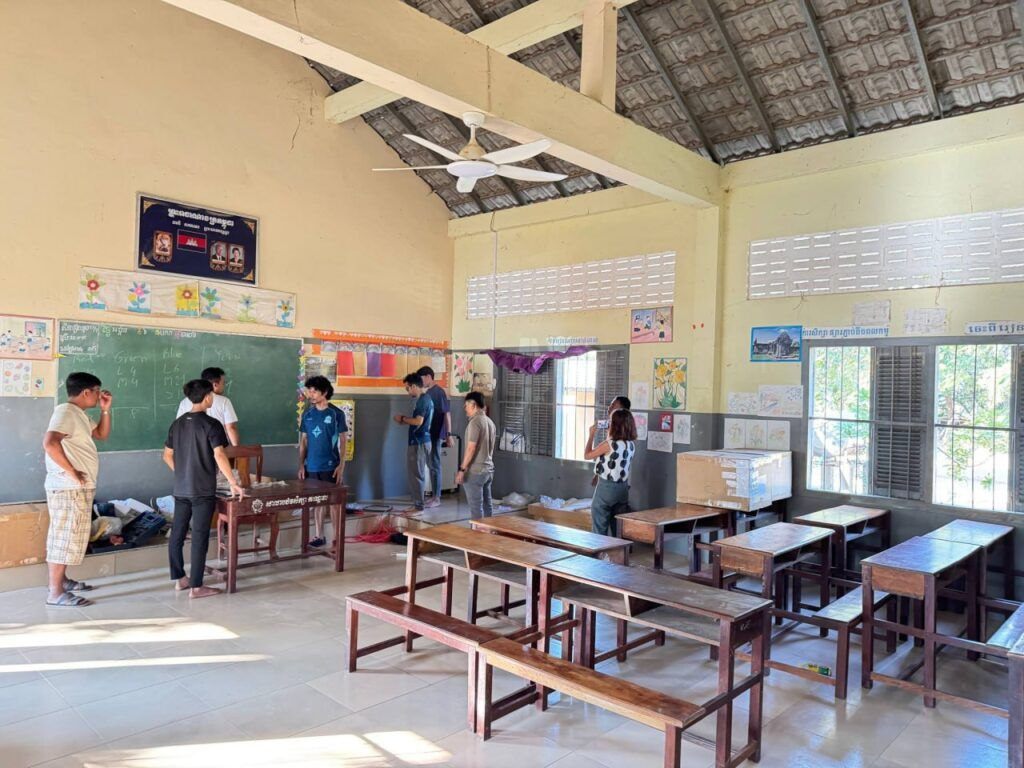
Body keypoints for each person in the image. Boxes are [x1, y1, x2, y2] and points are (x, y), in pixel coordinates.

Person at [163, 379, 243, 599]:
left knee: (177, 534)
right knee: (199, 536)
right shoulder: (211, 424)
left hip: (181, 488)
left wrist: (182, 473)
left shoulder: (177, 424)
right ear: (207, 397)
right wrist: (233, 482)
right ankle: (196, 587)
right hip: (203, 490)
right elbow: (219, 454)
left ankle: (180, 579)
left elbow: (167, 455)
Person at [41, 372, 113, 607]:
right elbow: (50, 443)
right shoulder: (65, 412)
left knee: (69, 537)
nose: (98, 395)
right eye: (97, 391)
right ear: (86, 392)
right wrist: (72, 472)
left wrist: (105, 410)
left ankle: (62, 582)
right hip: (68, 488)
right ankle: (55, 593)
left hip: (76, 488)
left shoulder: (78, 414)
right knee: (63, 537)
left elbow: (101, 434)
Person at [298, 375, 348, 548]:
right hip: (312, 466)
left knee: (334, 503)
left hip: (331, 466)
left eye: (314, 391)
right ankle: (319, 535)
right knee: (317, 502)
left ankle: (337, 537)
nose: (310, 395)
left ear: (324, 392)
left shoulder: (336, 414)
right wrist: (301, 464)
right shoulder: (307, 414)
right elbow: (304, 441)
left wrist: (341, 465)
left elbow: (343, 441)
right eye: (309, 391)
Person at [584, 408, 637, 537]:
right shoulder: (631, 445)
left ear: (614, 425)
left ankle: (599, 550)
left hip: (606, 488)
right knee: (617, 529)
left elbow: (587, 455)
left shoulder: (609, 444)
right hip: (623, 489)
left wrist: (591, 435)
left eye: (610, 421)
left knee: (599, 527)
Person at [392, 373, 433, 513]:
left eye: (407, 388)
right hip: (421, 441)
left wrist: (402, 418)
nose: (408, 392)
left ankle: (418, 506)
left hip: (419, 442)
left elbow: (418, 421)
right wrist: (404, 421)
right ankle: (417, 504)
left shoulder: (423, 400)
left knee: (416, 475)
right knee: (417, 474)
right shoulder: (425, 399)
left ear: (414, 386)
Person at [455, 392, 496, 519]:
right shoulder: (489, 421)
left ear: (473, 405)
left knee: (476, 508)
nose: (465, 408)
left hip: (476, 471)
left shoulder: (475, 422)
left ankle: (478, 531)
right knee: (487, 505)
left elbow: (471, 448)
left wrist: (462, 469)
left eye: (466, 405)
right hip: (488, 470)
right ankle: (490, 529)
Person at [417, 366, 452, 507]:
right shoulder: (428, 393)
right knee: (431, 465)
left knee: (435, 465)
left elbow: (447, 414)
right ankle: (433, 496)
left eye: (421, 379)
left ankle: (437, 497)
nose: (421, 382)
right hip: (428, 434)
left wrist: (448, 435)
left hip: (436, 434)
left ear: (428, 376)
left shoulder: (439, 392)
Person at [176, 367, 239, 446]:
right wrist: (236, 449)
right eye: (223, 383)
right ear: (215, 384)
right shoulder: (224, 401)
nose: (224, 386)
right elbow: (231, 428)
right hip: (219, 446)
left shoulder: (184, 402)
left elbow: (179, 427)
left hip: (191, 447)